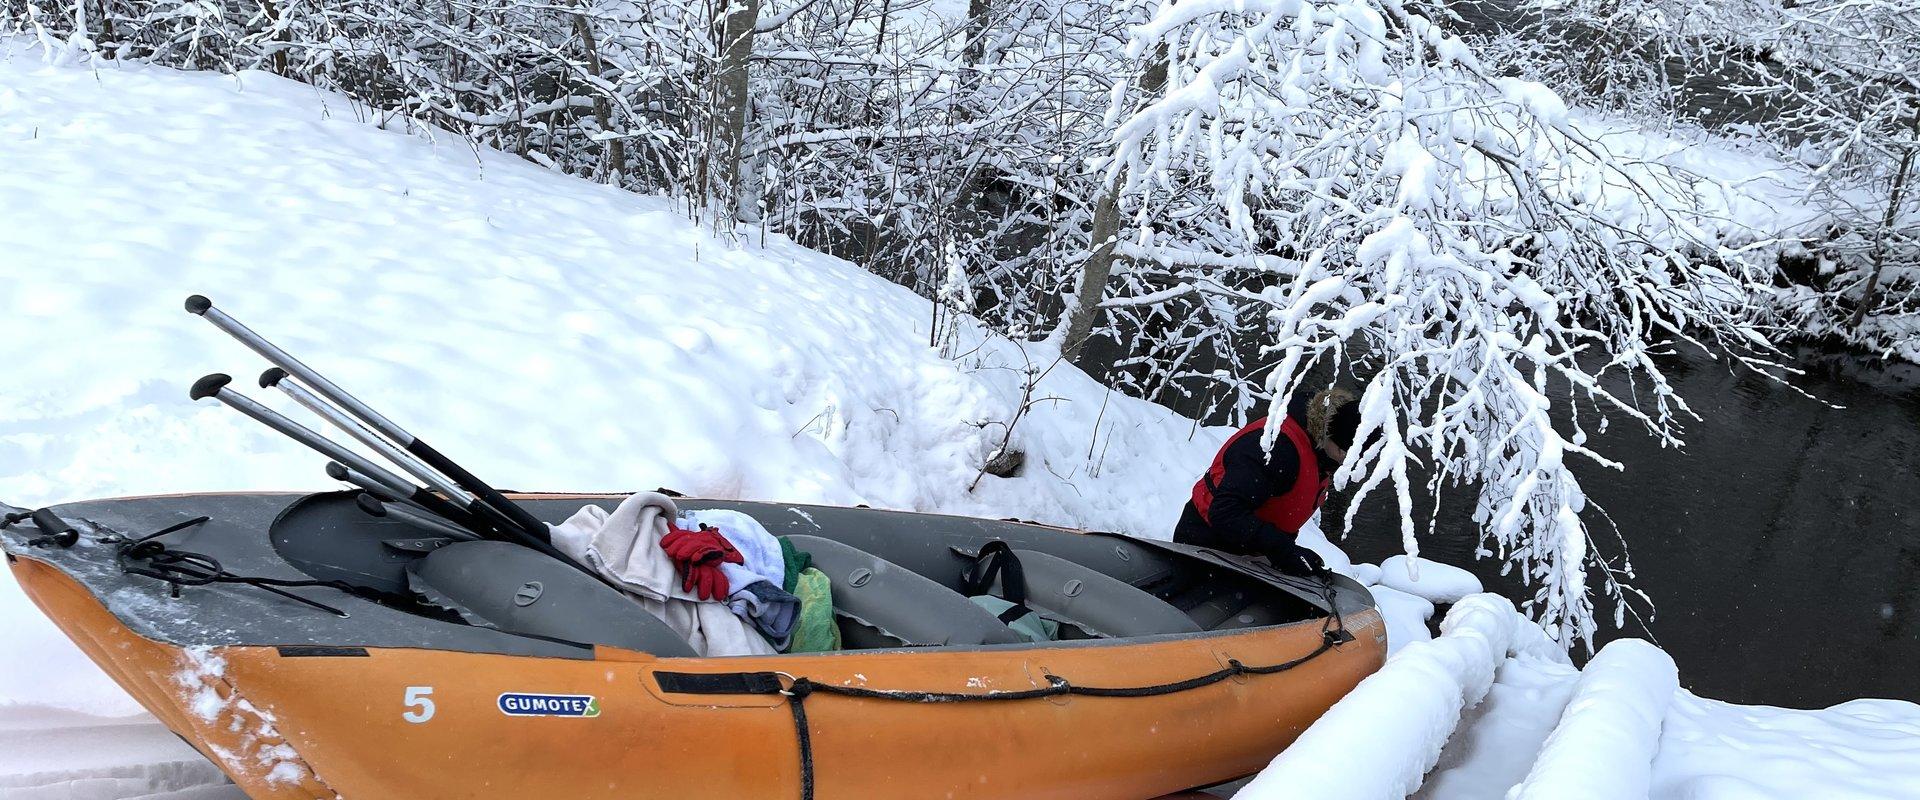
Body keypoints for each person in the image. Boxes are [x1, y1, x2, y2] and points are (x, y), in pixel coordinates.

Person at [1173, 387, 1362, 576]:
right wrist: (1284, 551)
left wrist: (1285, 552)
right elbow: (1225, 512)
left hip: (1248, 552)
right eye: (1343, 451)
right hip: (1205, 543)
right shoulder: (1274, 450)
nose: (1346, 460)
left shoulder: (1321, 455)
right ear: (1327, 435)